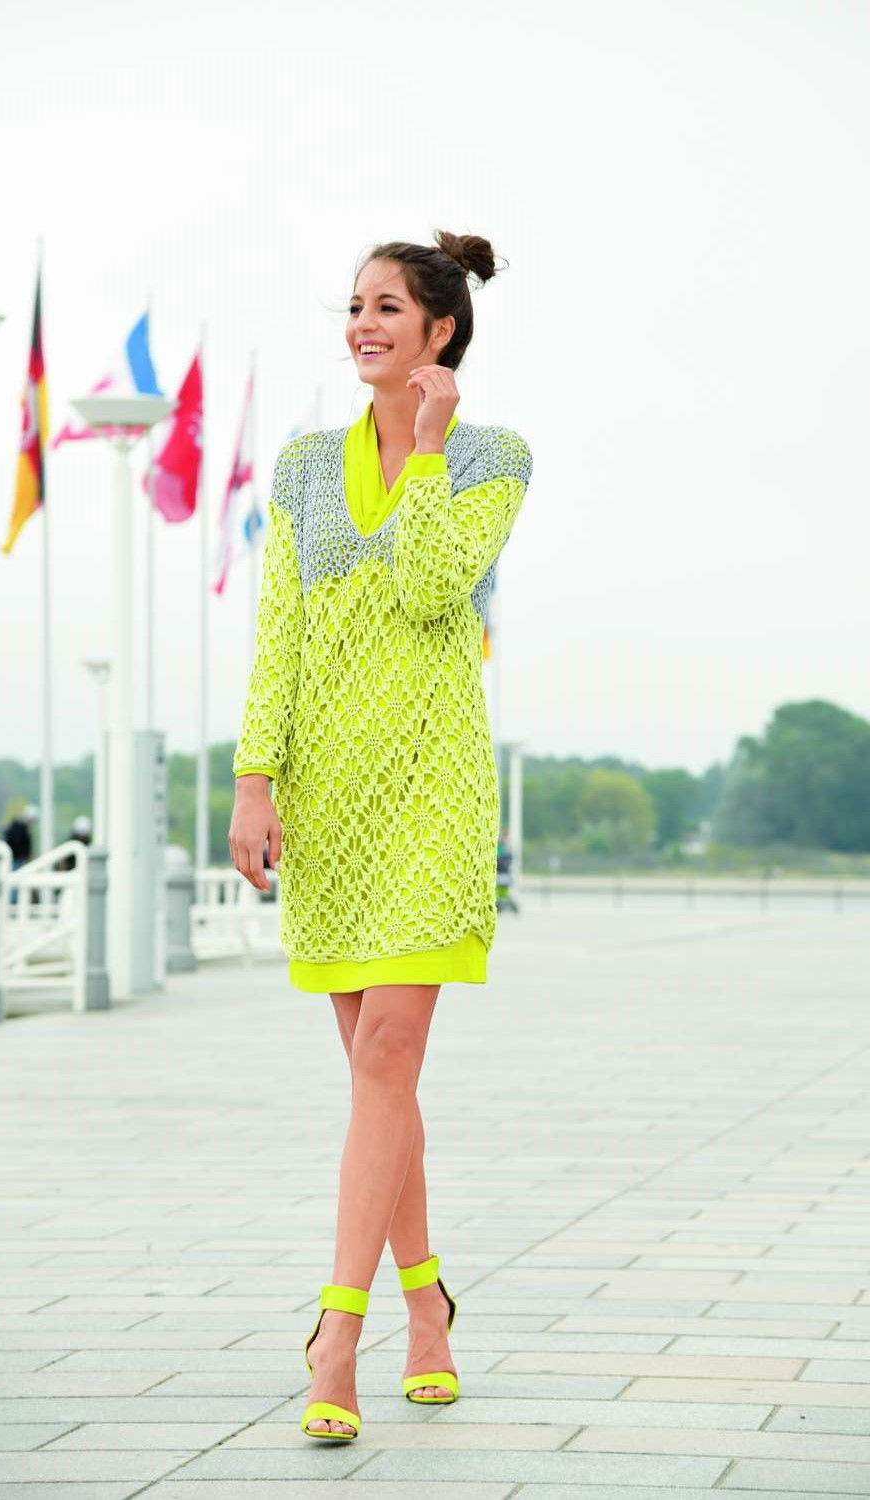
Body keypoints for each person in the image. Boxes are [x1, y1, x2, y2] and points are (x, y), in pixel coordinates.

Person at [228, 230, 532, 1442]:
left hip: (434, 797)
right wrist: (254, 784)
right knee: (377, 1077)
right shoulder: (305, 466)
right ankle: (428, 1310)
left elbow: (428, 587)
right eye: (355, 306)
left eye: (388, 307)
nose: (362, 324)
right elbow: (279, 635)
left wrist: (430, 449)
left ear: (439, 330)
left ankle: (335, 1338)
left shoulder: (494, 458)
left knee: (388, 1056)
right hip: (328, 800)